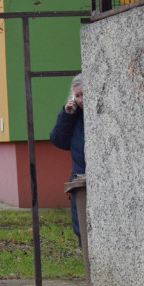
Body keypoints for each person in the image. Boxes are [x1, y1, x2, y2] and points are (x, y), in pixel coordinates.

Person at [49, 74, 85, 245]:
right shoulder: (74, 116)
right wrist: (66, 116)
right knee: (83, 230)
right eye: (77, 96)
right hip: (80, 182)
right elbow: (59, 141)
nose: (80, 100)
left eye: (83, 94)